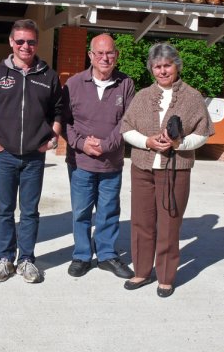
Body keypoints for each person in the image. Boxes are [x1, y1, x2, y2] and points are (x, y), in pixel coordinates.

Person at [120, 43, 214, 298]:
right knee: (141, 222)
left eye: (167, 65)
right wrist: (147, 142)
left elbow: (203, 132)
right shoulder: (141, 96)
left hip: (176, 169)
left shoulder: (193, 97)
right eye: (157, 66)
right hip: (142, 167)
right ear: (151, 69)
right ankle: (141, 271)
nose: (162, 71)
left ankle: (165, 277)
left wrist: (180, 143)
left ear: (177, 66)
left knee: (169, 224)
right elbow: (126, 128)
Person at [0, 19, 63, 283]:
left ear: (37, 43)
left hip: (35, 157)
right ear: (11, 42)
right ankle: (4, 259)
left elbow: (59, 110)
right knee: (4, 208)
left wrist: (53, 136)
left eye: (31, 41)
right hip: (5, 155)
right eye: (20, 41)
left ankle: (26, 260)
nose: (26, 46)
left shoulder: (48, 76)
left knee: (30, 210)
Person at [63, 33, 135, 279]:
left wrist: (106, 145)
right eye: (100, 53)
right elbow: (65, 122)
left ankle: (106, 255)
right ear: (90, 56)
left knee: (108, 210)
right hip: (80, 162)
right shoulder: (73, 84)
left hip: (111, 163)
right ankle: (82, 255)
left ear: (116, 56)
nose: (105, 58)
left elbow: (128, 121)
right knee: (81, 211)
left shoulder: (126, 84)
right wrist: (82, 144)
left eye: (110, 53)